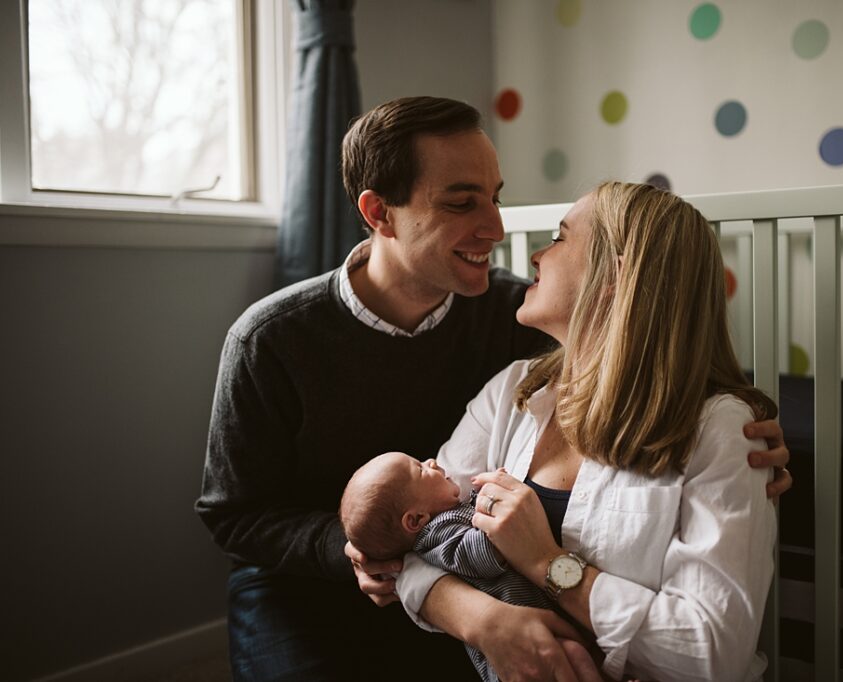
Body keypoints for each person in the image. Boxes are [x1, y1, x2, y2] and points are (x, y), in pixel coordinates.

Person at [197, 95, 791, 681]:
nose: (498, 228)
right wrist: (375, 556)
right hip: (311, 582)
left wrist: (743, 438)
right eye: (461, 203)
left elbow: (647, 351)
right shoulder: (270, 339)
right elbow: (237, 515)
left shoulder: (516, 314)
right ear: (380, 213)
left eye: (495, 197)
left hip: (448, 570)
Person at [363, 181, 780, 681]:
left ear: (615, 276)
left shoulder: (720, 429)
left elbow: (710, 653)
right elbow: (415, 550)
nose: (536, 255)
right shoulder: (512, 392)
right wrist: (486, 622)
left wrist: (548, 563)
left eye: (559, 238)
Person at [339, 452, 604, 682]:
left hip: (536, 626)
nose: (431, 462)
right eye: (420, 469)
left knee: (579, 656)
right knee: (574, 658)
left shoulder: (450, 517)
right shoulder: (435, 535)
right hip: (514, 654)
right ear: (416, 519)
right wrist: (502, 513)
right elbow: (475, 556)